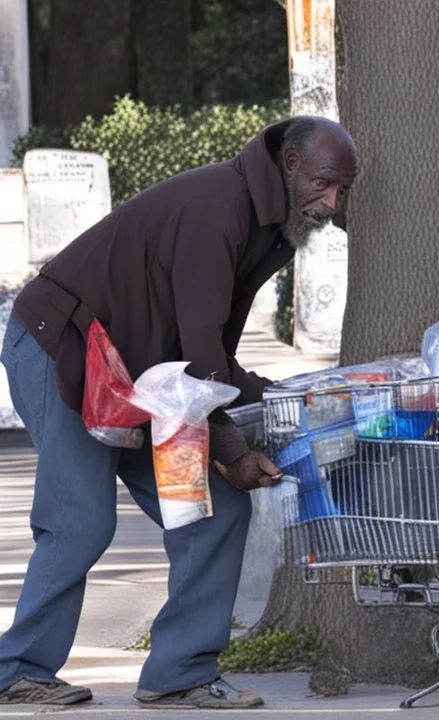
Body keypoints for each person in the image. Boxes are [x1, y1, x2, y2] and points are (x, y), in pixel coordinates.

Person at [0, 117, 357, 709]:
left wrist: (283, 398)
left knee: (214, 514)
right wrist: (233, 448)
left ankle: (180, 673)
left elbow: (211, 355)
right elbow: (200, 363)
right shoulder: (220, 208)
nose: (332, 202)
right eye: (324, 185)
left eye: (342, 190)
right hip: (64, 350)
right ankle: (17, 668)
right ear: (290, 165)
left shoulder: (268, 224)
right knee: (81, 520)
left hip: (139, 374)